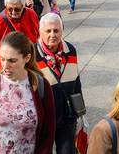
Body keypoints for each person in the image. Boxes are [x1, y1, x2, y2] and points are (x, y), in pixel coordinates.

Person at [0, 31, 56, 154]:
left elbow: (48, 132)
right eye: (2, 59)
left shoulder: (41, 86)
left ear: (27, 58)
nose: (5, 65)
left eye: (12, 61)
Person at [36, 13, 83, 154]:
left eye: (56, 30)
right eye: (48, 31)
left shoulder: (70, 50)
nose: (53, 35)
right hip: (44, 120)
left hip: (67, 116)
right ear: (40, 32)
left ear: (62, 31)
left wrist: (80, 112)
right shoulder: (31, 54)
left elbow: (76, 82)